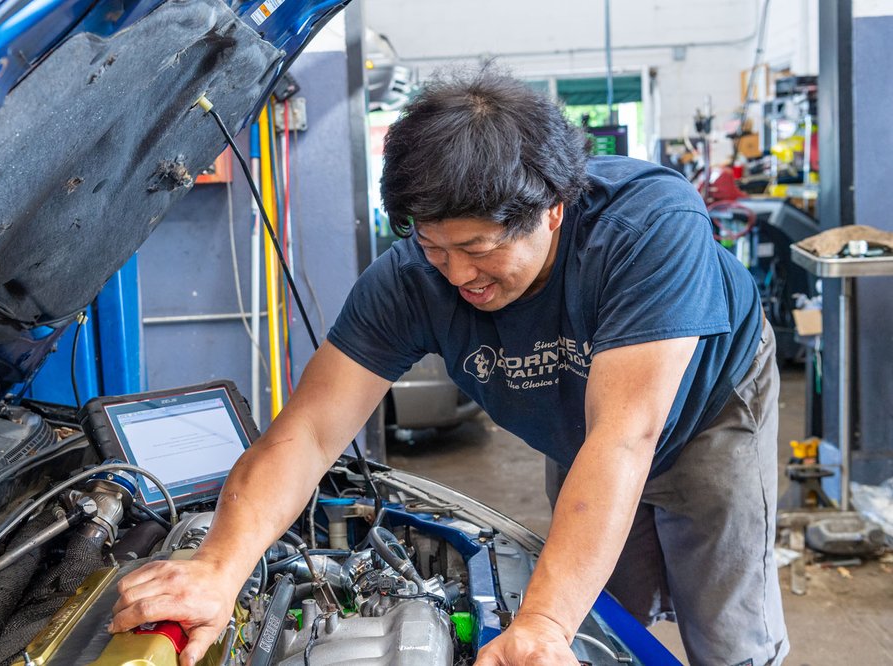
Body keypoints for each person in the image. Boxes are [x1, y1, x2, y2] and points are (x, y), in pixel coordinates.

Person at [110, 68, 788, 665]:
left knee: (724, 628)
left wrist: (543, 623)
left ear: (553, 210)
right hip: (583, 427)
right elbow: (311, 431)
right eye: (435, 246)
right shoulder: (410, 278)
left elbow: (625, 436)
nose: (459, 274)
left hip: (704, 411)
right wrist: (219, 567)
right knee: (604, 621)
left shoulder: (646, 228)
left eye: (480, 248)